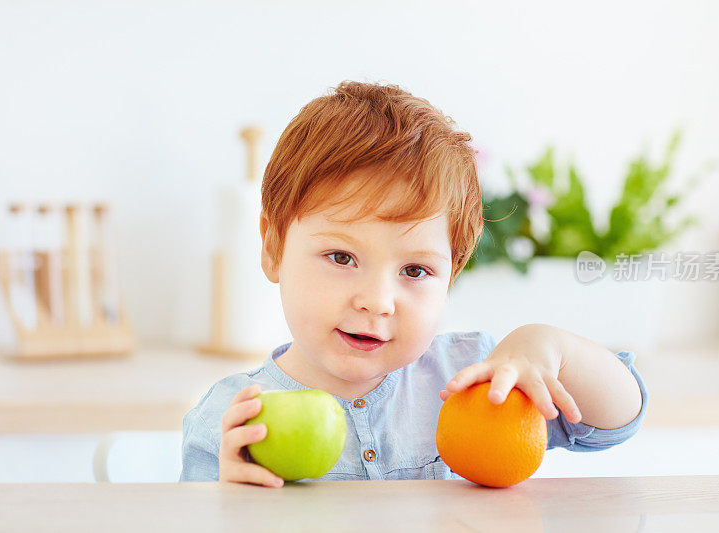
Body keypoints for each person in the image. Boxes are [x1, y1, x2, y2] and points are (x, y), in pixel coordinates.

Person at [180, 81, 648, 486]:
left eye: (414, 271)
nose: (378, 301)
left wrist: (545, 346)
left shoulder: (481, 378)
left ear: (452, 276)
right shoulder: (233, 419)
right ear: (273, 248)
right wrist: (229, 504)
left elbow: (621, 419)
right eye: (342, 257)